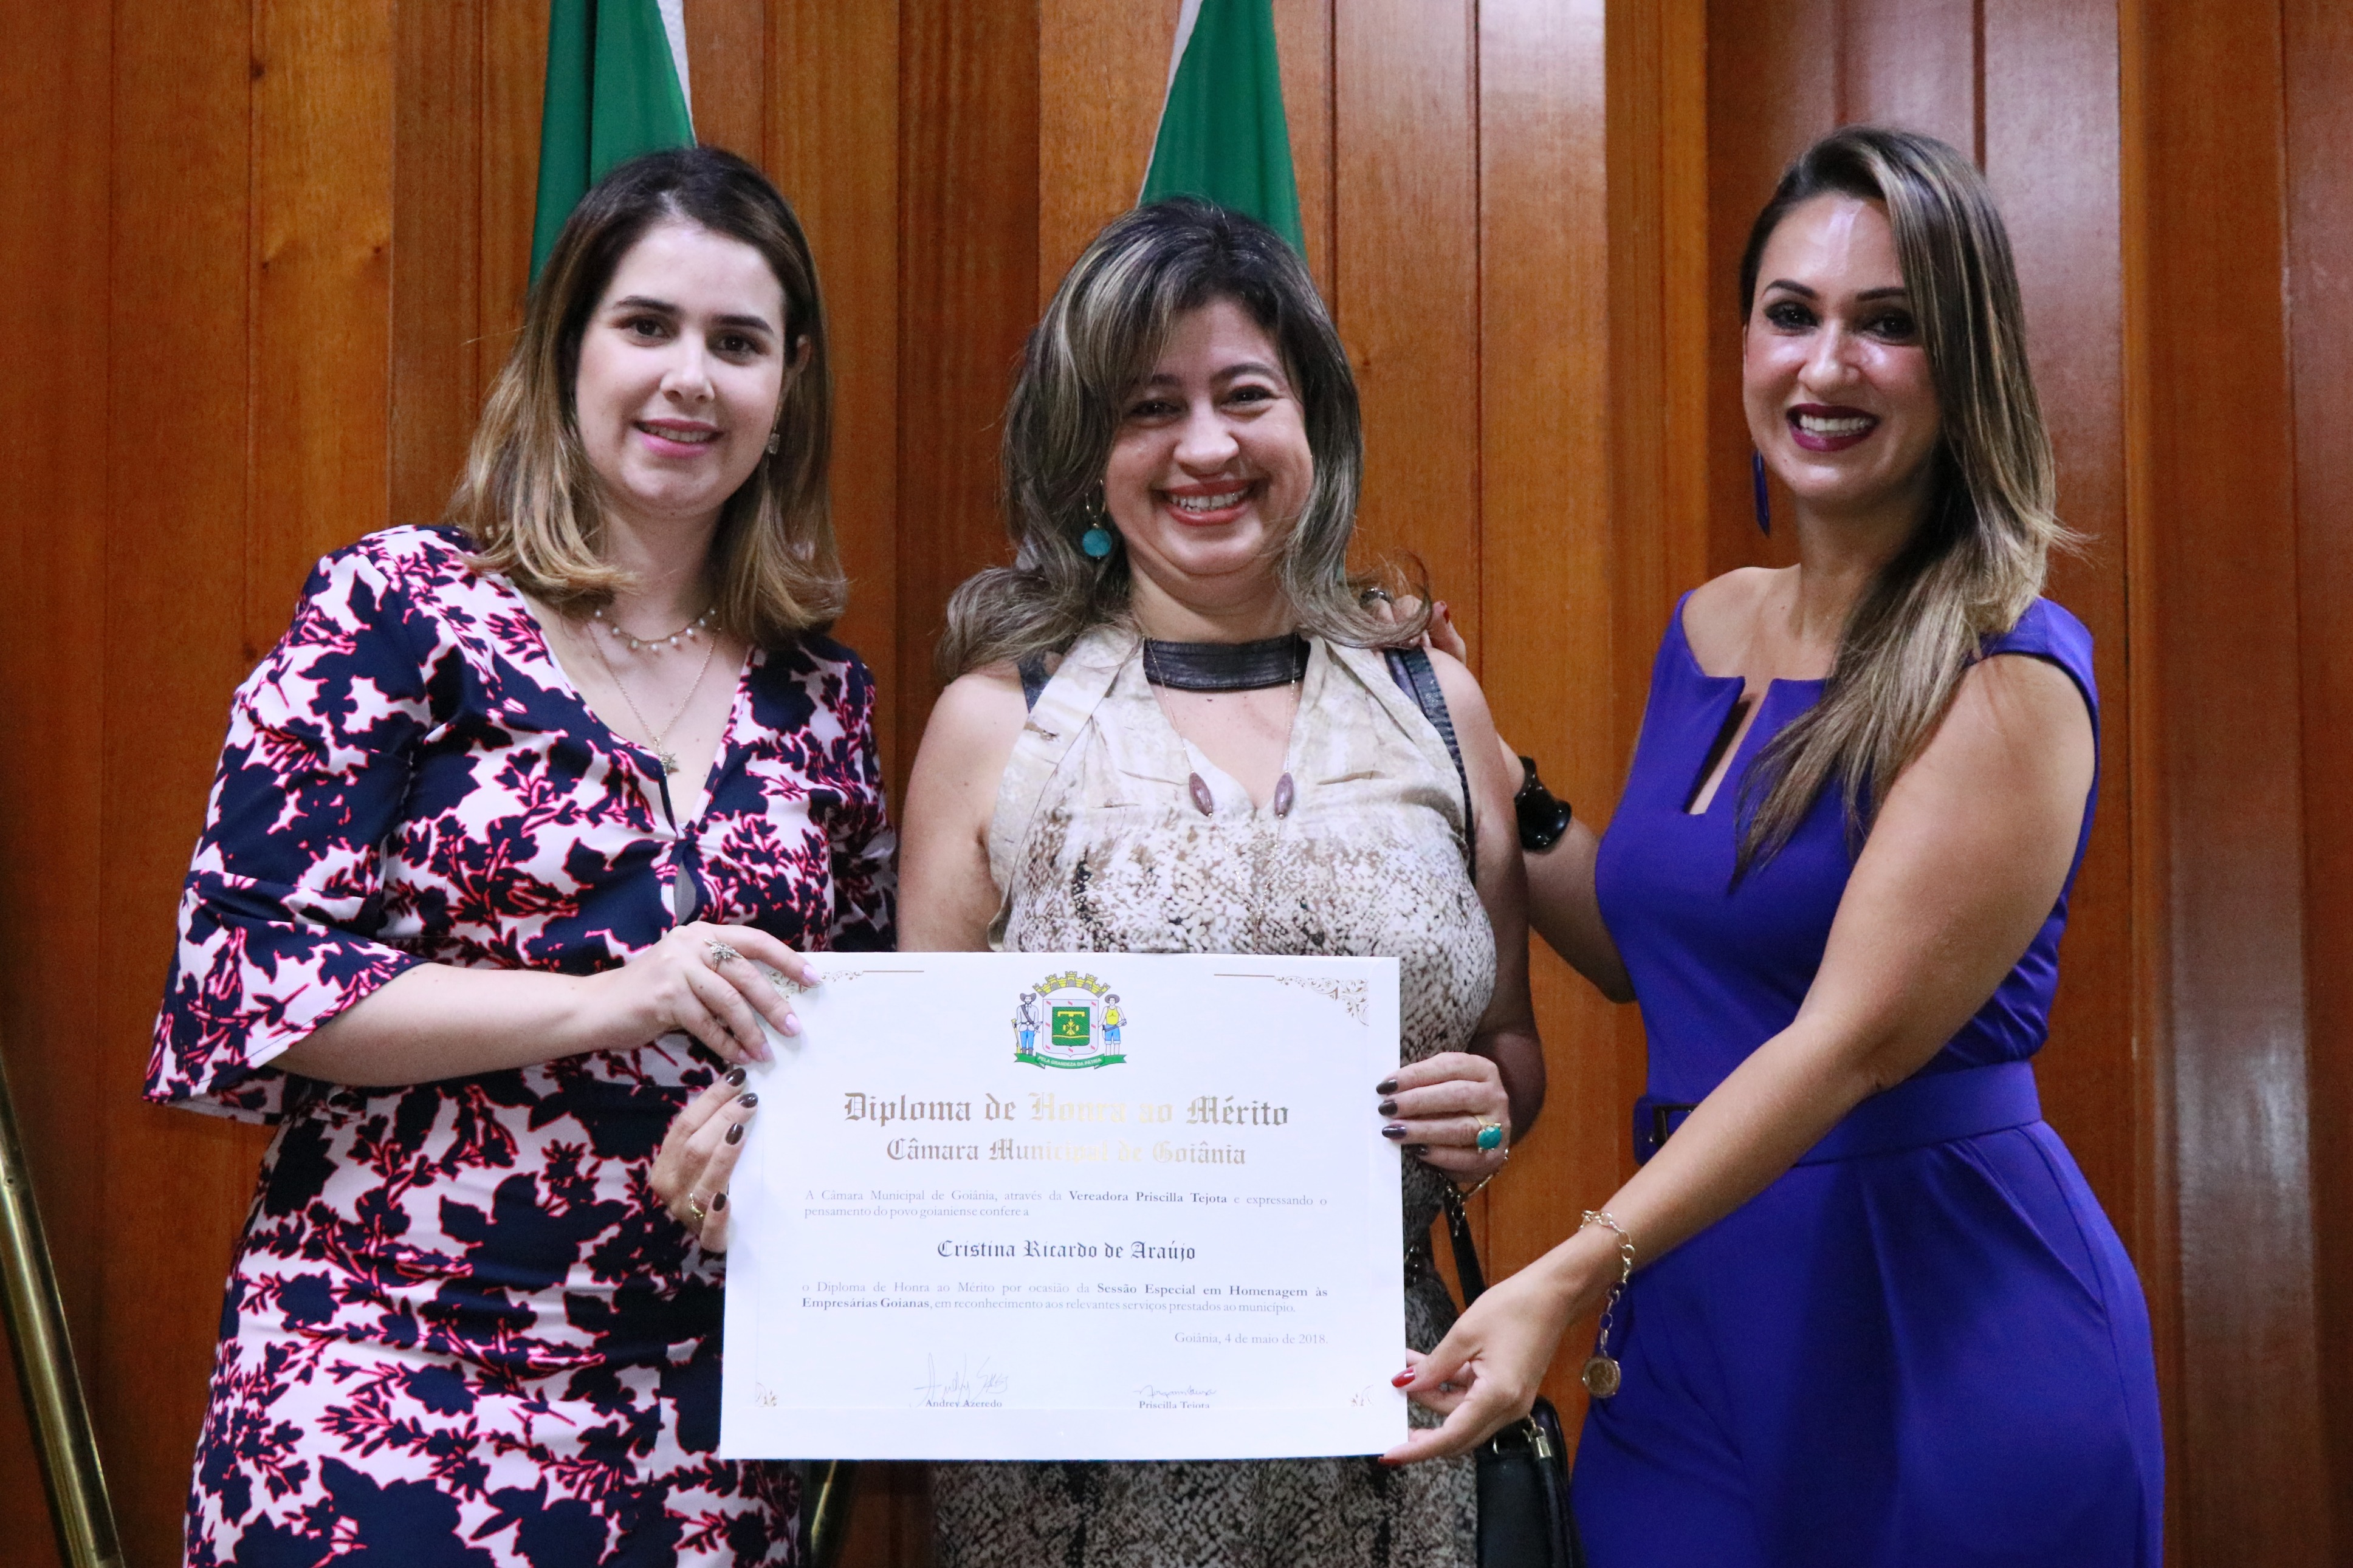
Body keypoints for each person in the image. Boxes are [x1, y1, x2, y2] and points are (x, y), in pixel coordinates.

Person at [663, 197, 1542, 1565]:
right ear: (1087, 457)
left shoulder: (1437, 707)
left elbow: (1511, 1052)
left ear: (1313, 422)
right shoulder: (997, 726)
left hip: (1383, 1450)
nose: (1207, 446)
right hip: (1066, 1482)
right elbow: (922, 1109)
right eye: (1149, 409)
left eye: (1244, 395)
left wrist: (1488, 1119)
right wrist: (773, 1171)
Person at [1390, 126, 2164, 1567]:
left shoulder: (2010, 669)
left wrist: (1565, 1272)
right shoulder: (1710, 624)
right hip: (1690, 1312)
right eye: (1791, 313)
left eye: (1889, 324)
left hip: (1938, 1313)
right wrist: (1484, 756)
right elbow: (1662, 958)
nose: (1826, 365)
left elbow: (1842, 1040)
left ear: (1968, 362)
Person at [146, 146, 891, 1566]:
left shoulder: (823, 702)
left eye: (738, 343)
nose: (690, 378)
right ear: (567, 351)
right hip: (380, 1385)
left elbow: (855, 1038)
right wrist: (616, 999)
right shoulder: (396, 610)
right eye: (647, 325)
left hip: (699, 1423)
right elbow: (242, 983)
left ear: (789, 389)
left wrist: (770, 1151)